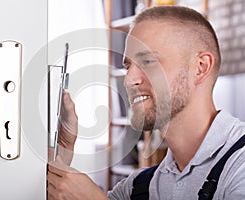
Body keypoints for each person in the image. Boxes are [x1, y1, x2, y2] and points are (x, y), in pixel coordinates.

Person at [47, 6, 245, 200]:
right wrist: (61, 156)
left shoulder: (239, 165)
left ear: (200, 68)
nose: (129, 79)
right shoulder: (137, 188)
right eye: (128, 66)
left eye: (148, 62)